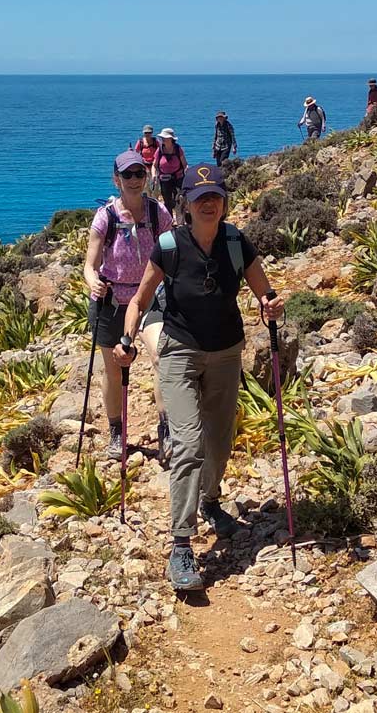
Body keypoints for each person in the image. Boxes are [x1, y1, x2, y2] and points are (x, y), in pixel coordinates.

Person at [117, 163, 285, 592]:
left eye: (215, 196)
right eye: (199, 197)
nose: (208, 203)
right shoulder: (170, 246)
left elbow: (265, 292)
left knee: (220, 440)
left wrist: (271, 307)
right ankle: (181, 544)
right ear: (185, 204)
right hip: (180, 351)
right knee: (188, 443)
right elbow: (138, 301)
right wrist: (127, 340)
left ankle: (210, 501)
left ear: (224, 201)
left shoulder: (235, 242)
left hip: (227, 352)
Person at [83, 151, 174, 462]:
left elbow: (172, 251)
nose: (134, 180)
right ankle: (116, 430)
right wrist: (92, 281)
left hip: (149, 297)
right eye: (128, 175)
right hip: (111, 301)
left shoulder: (157, 212)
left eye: (139, 173)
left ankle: (166, 430)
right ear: (116, 179)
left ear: (146, 176)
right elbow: (90, 264)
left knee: (161, 354)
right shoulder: (105, 218)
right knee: (114, 368)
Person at [152, 128, 188, 215]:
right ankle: (169, 221)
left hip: (178, 178)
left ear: (171, 139)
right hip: (164, 179)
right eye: (162, 138)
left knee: (180, 199)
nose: (163, 139)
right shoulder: (159, 150)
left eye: (165, 137)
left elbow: (185, 164)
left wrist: (187, 176)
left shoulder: (178, 149)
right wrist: (154, 175)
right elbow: (154, 165)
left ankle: (181, 221)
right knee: (167, 200)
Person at [135, 125, 162, 194]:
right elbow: (135, 153)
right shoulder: (140, 142)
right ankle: (147, 199)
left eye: (149, 133)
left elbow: (161, 151)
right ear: (143, 133)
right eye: (146, 133)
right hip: (144, 166)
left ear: (152, 133)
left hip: (155, 166)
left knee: (156, 184)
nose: (147, 134)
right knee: (145, 185)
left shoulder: (156, 142)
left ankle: (155, 199)